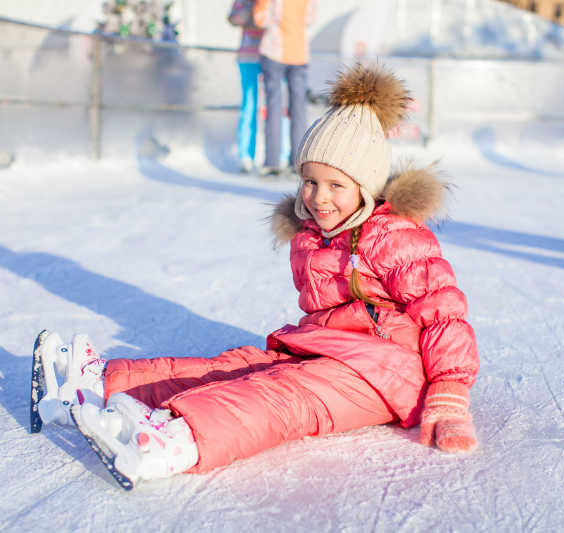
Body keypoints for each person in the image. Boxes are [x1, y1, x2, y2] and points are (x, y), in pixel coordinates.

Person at [30, 64, 480, 489]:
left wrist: (450, 390)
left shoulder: (396, 237)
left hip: (388, 372)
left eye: (336, 185)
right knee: (236, 366)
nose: (319, 198)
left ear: (366, 187)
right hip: (327, 348)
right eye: (309, 181)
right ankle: (97, 383)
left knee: (283, 396)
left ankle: (175, 438)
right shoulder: (312, 236)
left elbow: (444, 312)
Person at [252, 0, 316, 176]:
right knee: (299, 109)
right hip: (299, 53)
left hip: (274, 50)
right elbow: (310, 18)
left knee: (273, 107)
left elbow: (260, 19)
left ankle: (272, 162)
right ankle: (297, 162)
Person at [232, 0, 290, 174]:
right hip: (248, 56)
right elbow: (234, 17)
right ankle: (246, 155)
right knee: (249, 103)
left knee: (277, 105)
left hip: (274, 55)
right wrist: (254, 12)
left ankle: (281, 153)